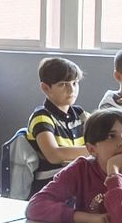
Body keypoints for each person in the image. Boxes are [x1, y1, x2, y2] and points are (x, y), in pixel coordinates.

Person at [24, 57, 88, 195]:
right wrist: (94, 150)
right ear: (46, 88)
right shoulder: (42, 117)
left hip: (76, 179)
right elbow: (53, 154)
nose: (71, 90)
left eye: (75, 83)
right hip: (51, 185)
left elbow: (102, 136)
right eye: (63, 84)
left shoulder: (81, 114)